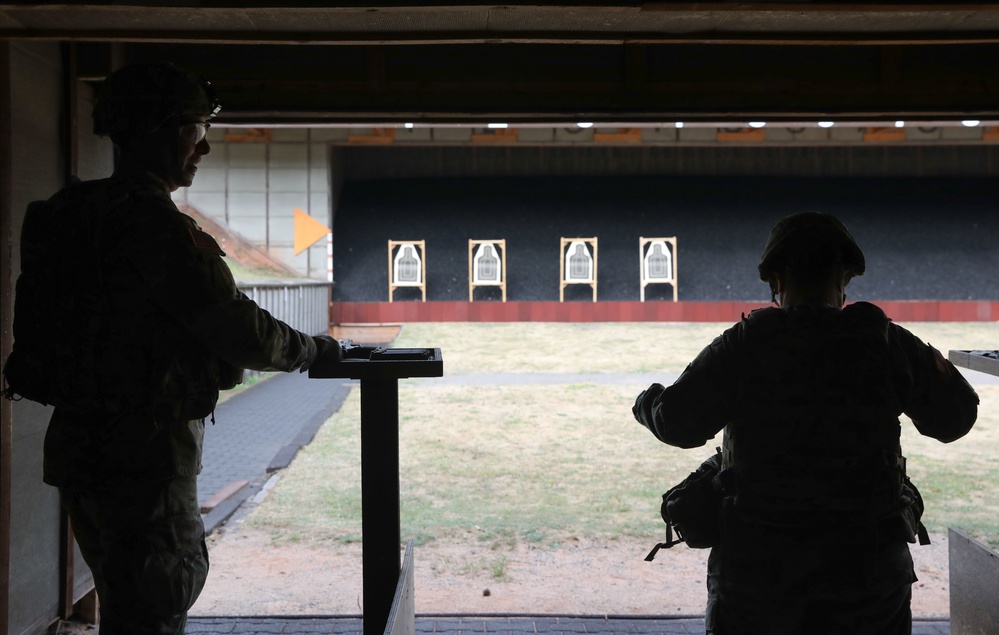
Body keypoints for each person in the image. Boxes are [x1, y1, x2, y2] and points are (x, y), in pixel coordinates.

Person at [3, 62, 341, 634]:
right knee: (156, 606)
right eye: (193, 129)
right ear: (152, 131)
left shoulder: (69, 213)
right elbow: (235, 326)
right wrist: (313, 350)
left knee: (124, 597)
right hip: (145, 454)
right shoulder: (151, 224)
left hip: (82, 444)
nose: (203, 146)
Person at [632, 212, 979, 635]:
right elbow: (956, 418)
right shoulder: (886, 342)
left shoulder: (744, 345)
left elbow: (677, 423)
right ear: (845, 277)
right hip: (866, 579)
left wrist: (646, 401)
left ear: (775, 281)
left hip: (758, 579)